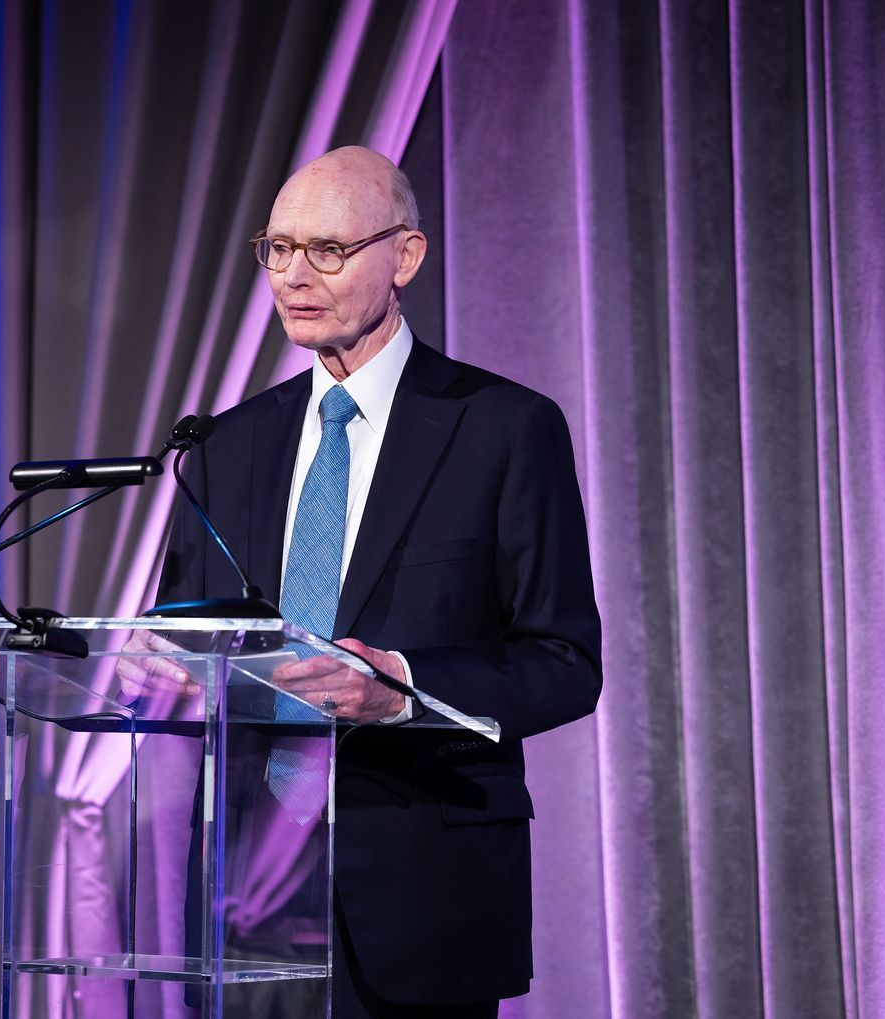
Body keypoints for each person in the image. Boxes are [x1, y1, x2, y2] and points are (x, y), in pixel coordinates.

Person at [150, 145, 602, 1015]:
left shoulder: (504, 431)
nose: (292, 275)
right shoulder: (224, 447)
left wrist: (401, 689)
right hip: (246, 900)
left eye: (326, 249)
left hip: (420, 901)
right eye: (277, 249)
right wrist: (158, 667)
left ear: (404, 256)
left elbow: (564, 662)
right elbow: (191, 636)